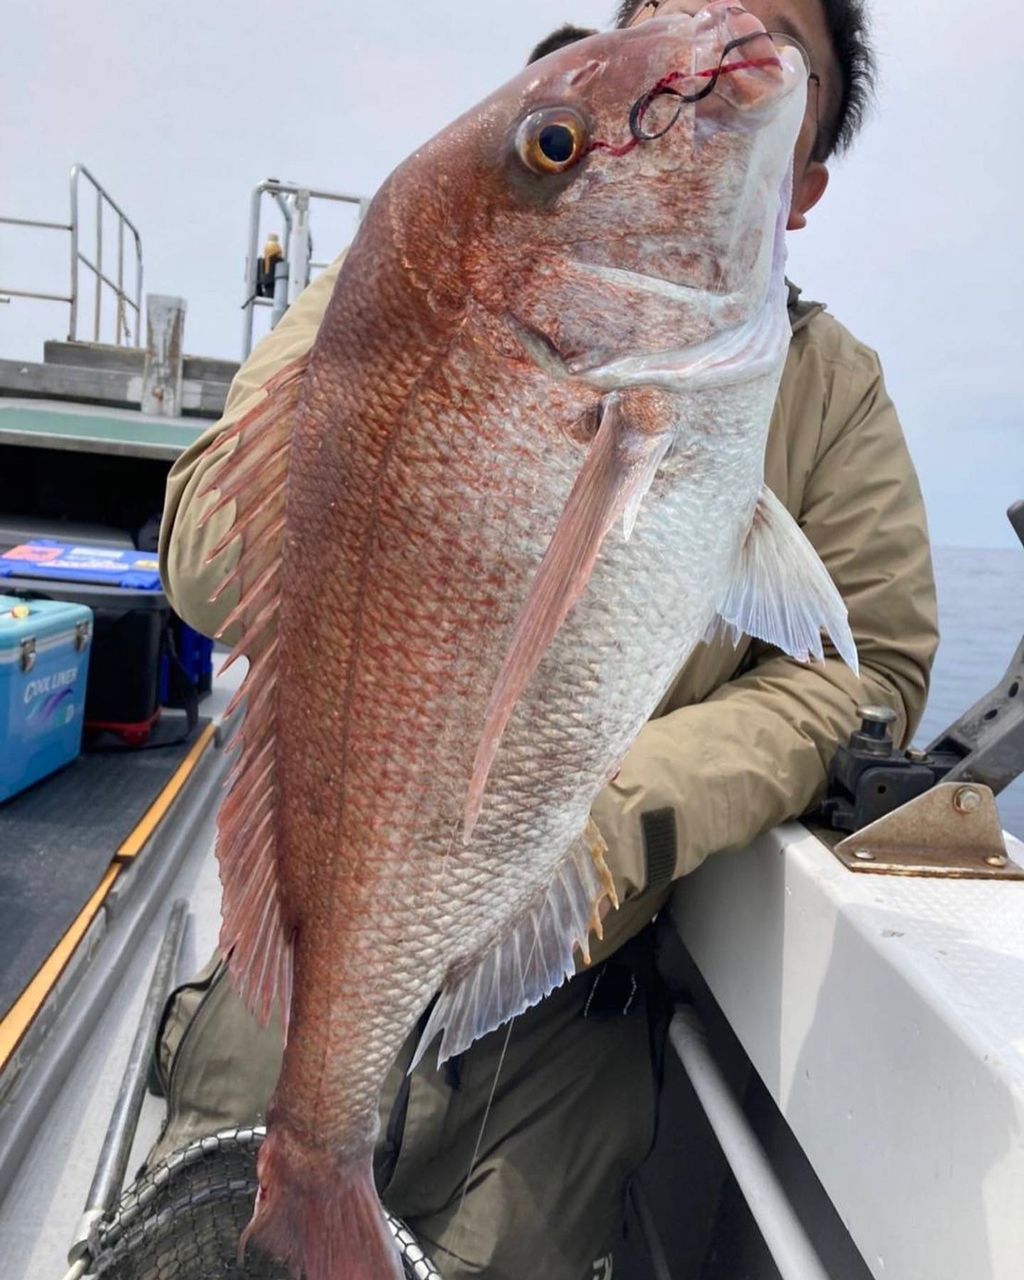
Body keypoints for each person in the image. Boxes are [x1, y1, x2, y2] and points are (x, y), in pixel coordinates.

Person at [154, 3, 938, 1277]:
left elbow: (865, 665)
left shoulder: (833, 392)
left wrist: (611, 816)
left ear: (797, 184)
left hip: (567, 1017)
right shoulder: (416, 277)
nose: (722, 28)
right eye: (678, 12)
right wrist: (394, 367)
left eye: (771, 31)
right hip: (294, 988)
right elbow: (199, 552)